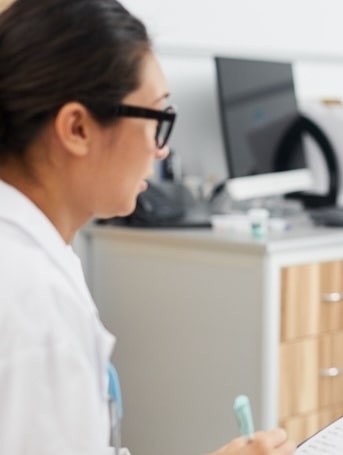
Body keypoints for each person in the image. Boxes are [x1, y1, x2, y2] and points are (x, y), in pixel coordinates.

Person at [0, 0, 295, 453]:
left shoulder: (40, 258)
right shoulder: (36, 306)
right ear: (77, 127)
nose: (161, 152)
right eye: (158, 119)